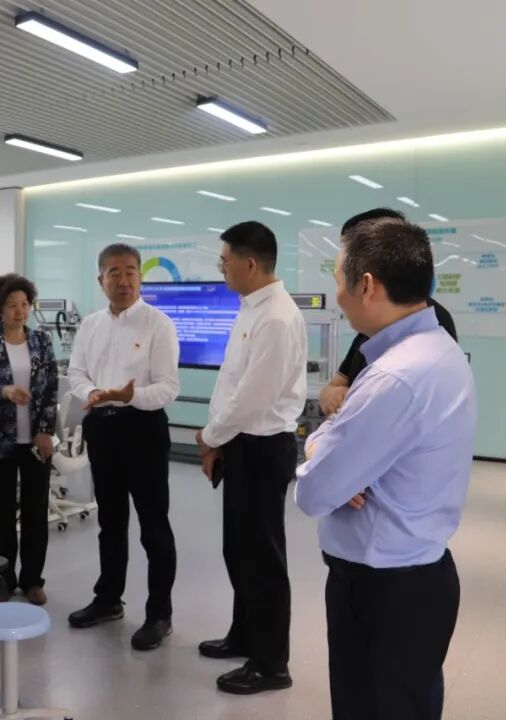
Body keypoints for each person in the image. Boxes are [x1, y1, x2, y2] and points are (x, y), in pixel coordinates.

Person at [295, 218, 477, 720]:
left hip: (382, 594)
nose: (336, 294)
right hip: (418, 577)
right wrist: (335, 454)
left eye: (338, 278)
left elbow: (313, 493)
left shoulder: (394, 377)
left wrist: (322, 452)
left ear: (367, 285)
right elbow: (340, 456)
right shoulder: (436, 348)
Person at [194, 221, 308, 695]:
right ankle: (245, 635)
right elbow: (232, 384)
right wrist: (218, 439)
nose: (221, 269)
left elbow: (253, 398)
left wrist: (209, 437)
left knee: (262, 558)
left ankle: (271, 663)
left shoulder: (276, 317)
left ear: (250, 263)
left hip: (262, 447)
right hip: (240, 443)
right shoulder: (252, 308)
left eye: (224, 262)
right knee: (239, 550)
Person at [66, 243, 181, 651]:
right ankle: (108, 599)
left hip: (143, 428)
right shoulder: (91, 325)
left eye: (131, 271)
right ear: (101, 280)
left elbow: (168, 387)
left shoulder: (158, 325)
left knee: (154, 525)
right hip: (102, 428)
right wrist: (95, 393)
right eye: (114, 273)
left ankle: (159, 613)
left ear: (140, 277)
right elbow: (76, 372)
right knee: (110, 521)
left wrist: (131, 396)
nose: (124, 280)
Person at [0, 274, 59, 606]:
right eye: (11, 305)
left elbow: (50, 389)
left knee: (36, 512)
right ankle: (2, 580)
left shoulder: (41, 342)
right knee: (3, 514)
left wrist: (46, 430)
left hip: (36, 441)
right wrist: (4, 391)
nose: (20, 311)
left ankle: (33, 579)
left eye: (24, 304)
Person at [320, 209, 458, 417]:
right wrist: (333, 396)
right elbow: (335, 386)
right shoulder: (374, 331)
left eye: (341, 279)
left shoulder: (394, 374)